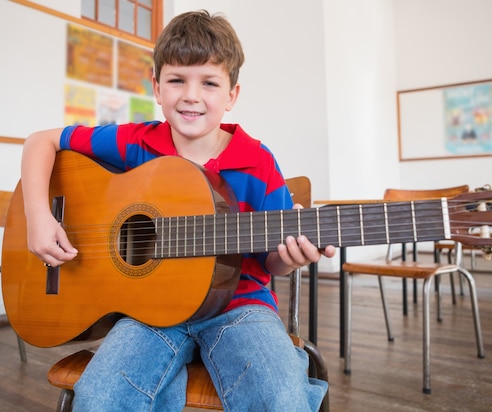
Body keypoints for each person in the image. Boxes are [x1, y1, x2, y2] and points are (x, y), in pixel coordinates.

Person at [21, 10, 335, 411]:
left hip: (240, 308)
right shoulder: (136, 143)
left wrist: (289, 260)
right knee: (100, 396)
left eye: (209, 82)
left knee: (280, 397)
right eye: (176, 80)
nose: (191, 95)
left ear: (232, 95)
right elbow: (39, 141)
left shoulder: (257, 162)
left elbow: (272, 263)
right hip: (146, 313)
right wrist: (38, 216)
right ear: (156, 86)